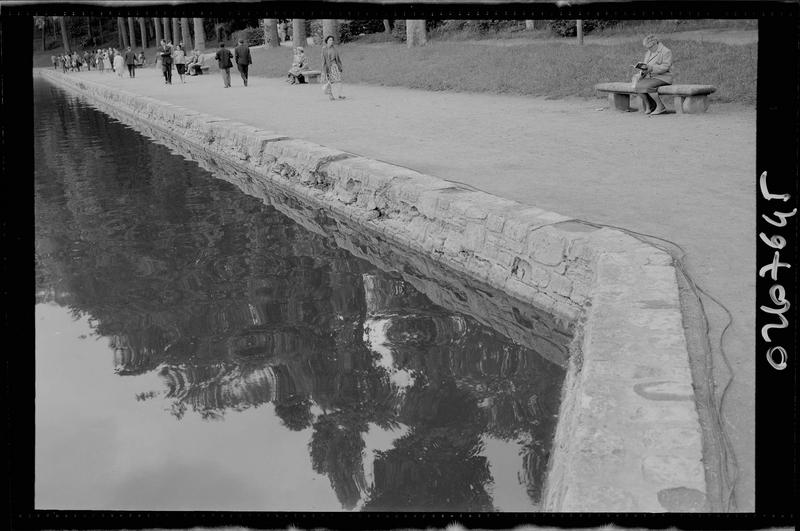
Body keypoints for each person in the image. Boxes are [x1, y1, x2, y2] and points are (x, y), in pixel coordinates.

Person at [633, 34, 673, 115]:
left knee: (647, 86)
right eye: (647, 48)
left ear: (655, 43)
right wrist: (642, 70)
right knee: (637, 85)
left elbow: (665, 67)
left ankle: (660, 107)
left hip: (663, 77)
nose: (648, 49)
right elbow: (646, 65)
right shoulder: (649, 52)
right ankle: (649, 106)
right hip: (651, 77)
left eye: (650, 47)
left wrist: (651, 68)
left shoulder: (666, 51)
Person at [321, 35, 345, 101]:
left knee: (339, 80)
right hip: (328, 67)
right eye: (330, 40)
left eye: (332, 40)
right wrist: (324, 69)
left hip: (334, 66)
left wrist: (340, 66)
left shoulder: (334, 49)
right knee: (330, 82)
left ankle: (340, 95)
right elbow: (323, 60)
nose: (332, 41)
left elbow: (338, 59)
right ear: (327, 41)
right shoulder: (324, 49)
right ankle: (330, 95)